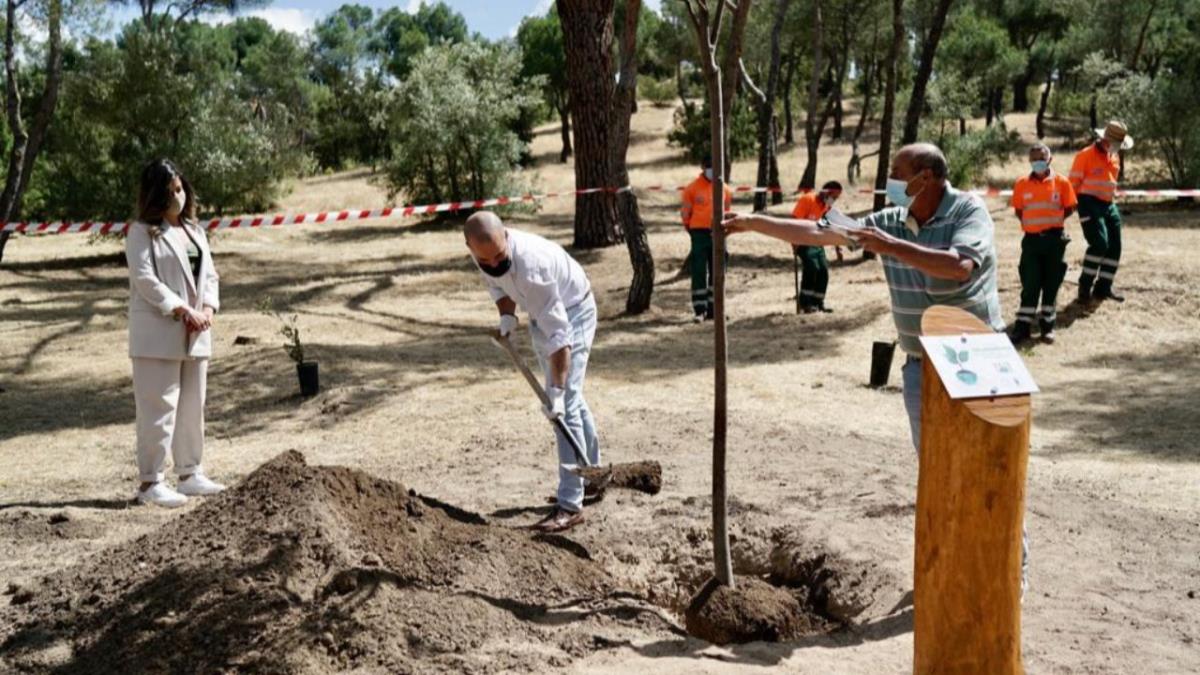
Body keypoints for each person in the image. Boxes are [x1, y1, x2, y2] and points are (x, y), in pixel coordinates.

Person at [725, 143, 1027, 593]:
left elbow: (960, 267)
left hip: (977, 360)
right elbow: (817, 231)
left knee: (989, 470)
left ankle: (1007, 569)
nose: (890, 180)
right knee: (938, 474)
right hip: (920, 366)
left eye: (896, 172)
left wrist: (891, 247)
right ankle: (952, 568)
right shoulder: (888, 221)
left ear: (924, 177)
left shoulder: (968, 211)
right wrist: (753, 223)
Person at [464, 211, 599, 533]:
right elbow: (499, 288)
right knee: (572, 404)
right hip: (541, 316)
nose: (496, 263)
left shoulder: (532, 267)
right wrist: (507, 319)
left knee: (564, 409)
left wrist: (555, 392)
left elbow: (560, 337)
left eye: (501, 256)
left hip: (573, 313)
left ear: (507, 236)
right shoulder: (483, 255)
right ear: (470, 247)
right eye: (488, 260)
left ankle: (570, 504)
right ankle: (593, 475)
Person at [126, 159, 226, 508]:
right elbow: (145, 280)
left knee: (191, 407)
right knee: (158, 407)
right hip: (158, 335)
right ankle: (151, 481)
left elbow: (210, 276)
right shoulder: (141, 232)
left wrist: (208, 309)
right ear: (155, 195)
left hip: (196, 334)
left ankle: (190, 473)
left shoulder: (195, 232)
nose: (177, 197)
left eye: (180, 189)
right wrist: (183, 310)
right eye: (170, 192)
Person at [1010, 143, 1077, 344]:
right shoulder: (1021, 183)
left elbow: (1070, 207)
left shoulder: (1062, 183)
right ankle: (1022, 328)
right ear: (1030, 161)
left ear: (1050, 159)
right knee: (1030, 284)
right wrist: (1033, 226)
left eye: (1042, 158)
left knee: (1051, 284)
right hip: (1031, 242)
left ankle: (1047, 327)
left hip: (1055, 241)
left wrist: (1053, 223)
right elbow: (1019, 210)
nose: (1038, 162)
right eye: (1034, 159)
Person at [1069, 120, 1132, 303]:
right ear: (1105, 139)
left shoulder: (1114, 157)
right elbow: (1073, 184)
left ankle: (1103, 288)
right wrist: (1073, 207)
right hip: (1088, 202)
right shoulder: (1085, 155)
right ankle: (1084, 287)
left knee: (1115, 246)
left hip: (1108, 204)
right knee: (1099, 244)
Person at [680, 154, 733, 322]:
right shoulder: (691, 189)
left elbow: (727, 210)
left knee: (718, 271)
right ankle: (699, 309)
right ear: (702, 167)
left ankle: (715, 309)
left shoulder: (724, 189)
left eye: (714, 165)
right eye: (708, 165)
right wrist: (692, 229)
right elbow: (685, 214)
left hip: (718, 233)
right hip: (698, 234)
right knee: (699, 271)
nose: (711, 169)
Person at [790, 181, 843, 313]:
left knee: (823, 271)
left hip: (817, 243)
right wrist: (794, 242)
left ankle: (818, 303)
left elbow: (831, 225)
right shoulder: (807, 199)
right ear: (826, 192)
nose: (834, 200)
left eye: (836, 198)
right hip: (803, 242)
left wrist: (838, 247)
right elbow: (794, 220)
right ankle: (805, 303)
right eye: (833, 197)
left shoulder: (826, 207)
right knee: (812, 269)